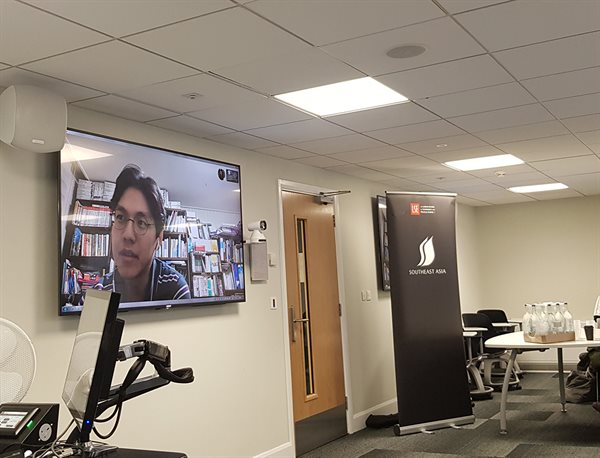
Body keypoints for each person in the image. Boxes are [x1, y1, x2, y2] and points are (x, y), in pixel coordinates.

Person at [95, 165, 190, 302]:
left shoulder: (175, 289)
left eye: (142, 223)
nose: (128, 235)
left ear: (159, 237)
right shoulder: (99, 294)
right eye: (120, 217)